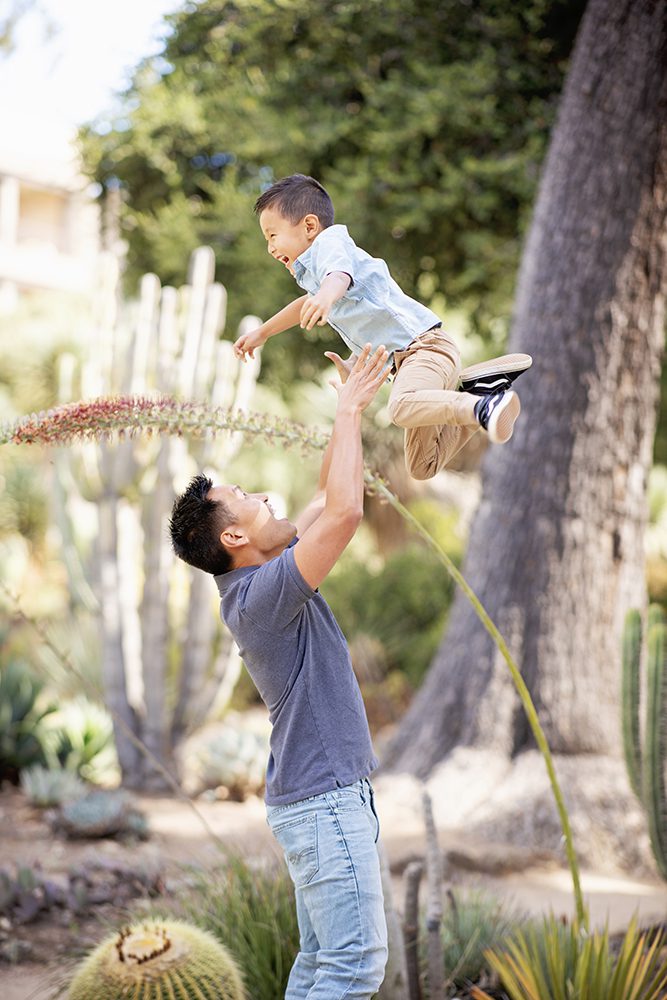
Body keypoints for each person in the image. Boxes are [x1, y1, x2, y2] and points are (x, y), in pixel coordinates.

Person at [169, 345, 390, 999]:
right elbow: (346, 513)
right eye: (248, 499)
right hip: (323, 803)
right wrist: (350, 410)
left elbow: (327, 494)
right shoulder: (262, 597)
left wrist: (345, 409)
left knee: (321, 967)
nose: (267, 496)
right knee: (351, 969)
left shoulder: (263, 577)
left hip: (318, 800)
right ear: (233, 539)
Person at [233, 172, 532, 480]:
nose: (269, 247)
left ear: (309, 226)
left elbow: (339, 275)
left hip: (424, 349)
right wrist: (264, 332)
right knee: (422, 467)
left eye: (272, 235)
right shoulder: (317, 279)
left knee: (400, 408)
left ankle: (484, 407)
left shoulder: (330, 244)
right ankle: (477, 391)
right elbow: (305, 305)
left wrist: (324, 296)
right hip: (409, 365)